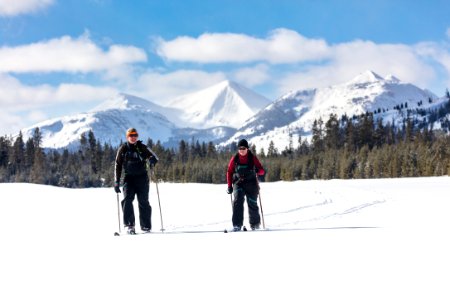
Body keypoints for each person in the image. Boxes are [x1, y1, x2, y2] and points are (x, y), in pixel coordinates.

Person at [114, 128, 159, 234]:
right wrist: (116, 181)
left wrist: (152, 160)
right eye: (131, 135)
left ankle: (146, 226)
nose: (133, 137)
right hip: (128, 178)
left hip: (142, 178)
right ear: (127, 137)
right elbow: (117, 165)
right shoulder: (123, 149)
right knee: (127, 200)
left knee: (143, 201)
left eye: (135, 135)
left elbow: (155, 157)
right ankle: (129, 225)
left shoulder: (142, 147)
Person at [226, 139, 265, 231]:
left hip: (251, 183)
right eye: (240, 148)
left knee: (252, 203)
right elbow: (229, 172)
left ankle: (255, 225)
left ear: (247, 148)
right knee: (237, 201)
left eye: (243, 148)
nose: (242, 150)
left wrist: (258, 171)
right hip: (238, 183)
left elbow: (262, 171)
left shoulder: (252, 158)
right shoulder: (235, 158)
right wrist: (229, 186)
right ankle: (237, 225)